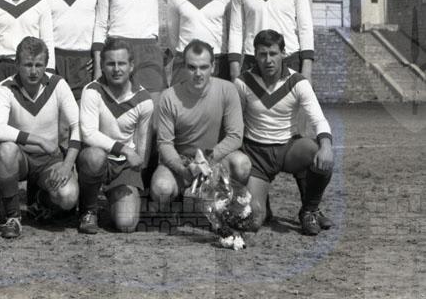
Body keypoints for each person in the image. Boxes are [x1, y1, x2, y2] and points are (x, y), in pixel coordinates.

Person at [227, 0, 326, 225]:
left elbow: (305, 27)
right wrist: (235, 72)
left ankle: (310, 207)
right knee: (253, 134)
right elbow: (236, 30)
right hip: (253, 62)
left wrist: (306, 70)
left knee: (297, 136)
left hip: (288, 60)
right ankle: (261, 201)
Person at [235, 30, 333, 236]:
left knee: (317, 152)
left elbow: (318, 119)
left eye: (273, 53)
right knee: (253, 221)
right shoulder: (243, 82)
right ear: (255, 55)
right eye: (262, 54)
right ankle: (262, 204)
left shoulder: (297, 82)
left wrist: (326, 146)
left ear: (283, 54)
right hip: (256, 156)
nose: (268, 60)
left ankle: (310, 210)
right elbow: (234, 122)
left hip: (288, 149)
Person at [0, 36, 79, 238]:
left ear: (46, 65)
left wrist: (67, 165)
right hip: (20, 158)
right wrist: (38, 139)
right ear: (17, 64)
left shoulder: (57, 84)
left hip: (49, 161)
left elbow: (77, 125)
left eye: (38, 65)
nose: (33, 71)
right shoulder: (5, 87)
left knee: (68, 197)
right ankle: (12, 216)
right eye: (28, 65)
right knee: (6, 149)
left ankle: (41, 199)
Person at [150, 39, 250, 207]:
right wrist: (183, 169)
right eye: (192, 67)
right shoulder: (169, 96)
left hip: (215, 159)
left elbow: (235, 136)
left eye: (204, 67)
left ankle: (226, 203)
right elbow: (165, 143)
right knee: (161, 189)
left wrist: (207, 160)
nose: (198, 73)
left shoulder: (227, 90)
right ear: (183, 67)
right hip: (182, 161)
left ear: (213, 67)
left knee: (242, 164)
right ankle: (178, 204)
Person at [77, 37, 153, 234]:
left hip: (123, 166)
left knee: (126, 224)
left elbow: (141, 150)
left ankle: (113, 199)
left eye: (122, 63)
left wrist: (136, 182)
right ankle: (88, 209)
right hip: (97, 158)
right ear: (102, 65)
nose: (116, 69)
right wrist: (124, 149)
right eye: (111, 64)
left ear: (131, 66)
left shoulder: (144, 100)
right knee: (94, 156)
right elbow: (88, 134)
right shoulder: (92, 90)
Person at [36, 0, 99, 101]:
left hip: (85, 62)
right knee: (53, 112)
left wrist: (99, 58)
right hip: (53, 59)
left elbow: (103, 25)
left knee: (82, 112)